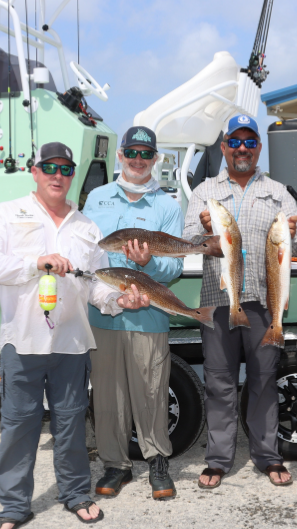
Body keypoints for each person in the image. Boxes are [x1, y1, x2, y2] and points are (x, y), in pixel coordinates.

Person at [0, 141, 150, 529]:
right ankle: (13, 507)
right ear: (34, 172)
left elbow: (96, 286)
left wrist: (119, 300)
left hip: (72, 343)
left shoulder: (87, 227)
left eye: (66, 169)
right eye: (50, 168)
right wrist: (35, 262)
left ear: (73, 175)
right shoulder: (7, 213)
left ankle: (75, 494)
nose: (58, 176)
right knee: (18, 426)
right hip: (22, 342)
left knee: (71, 426)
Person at [183, 114, 297, 489]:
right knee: (219, 382)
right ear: (223, 148)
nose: (242, 149)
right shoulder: (204, 191)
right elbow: (189, 240)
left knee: (264, 380)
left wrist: (296, 230)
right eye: (235, 142)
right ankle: (218, 459)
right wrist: (206, 232)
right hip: (218, 301)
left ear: (259, 148)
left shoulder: (279, 192)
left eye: (249, 142)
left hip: (264, 303)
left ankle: (268, 455)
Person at [82, 126, 183, 500]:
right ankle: (115, 464)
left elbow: (174, 267)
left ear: (155, 159)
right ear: (120, 155)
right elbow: (88, 254)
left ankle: (157, 461)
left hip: (149, 316)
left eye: (146, 154)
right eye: (132, 152)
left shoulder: (167, 207)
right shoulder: (97, 198)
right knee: (108, 396)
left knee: (152, 392)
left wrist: (148, 263)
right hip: (103, 316)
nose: (138, 160)